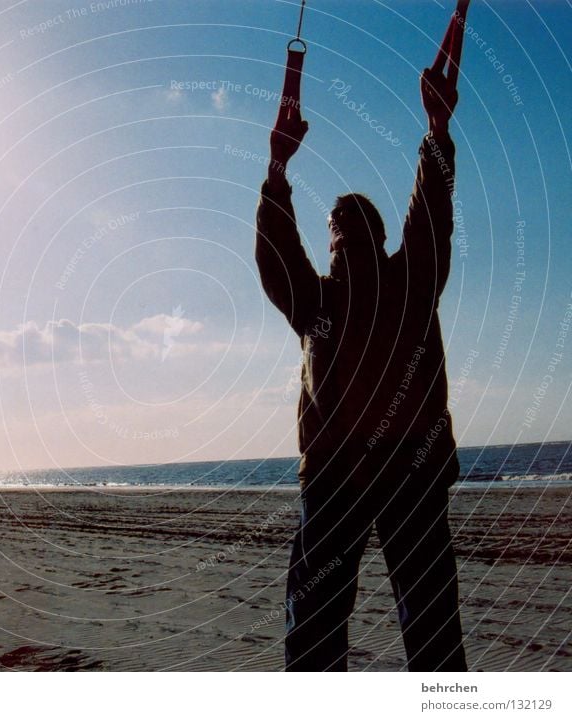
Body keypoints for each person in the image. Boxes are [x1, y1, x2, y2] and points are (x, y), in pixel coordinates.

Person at [255, 65, 467, 671]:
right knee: (431, 626)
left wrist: (278, 168)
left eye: (336, 229)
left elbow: (276, 251)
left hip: (340, 475)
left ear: (341, 240)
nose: (337, 237)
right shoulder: (410, 282)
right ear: (378, 236)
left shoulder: (324, 298)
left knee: (319, 630)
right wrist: (435, 128)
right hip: (409, 469)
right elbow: (432, 211)